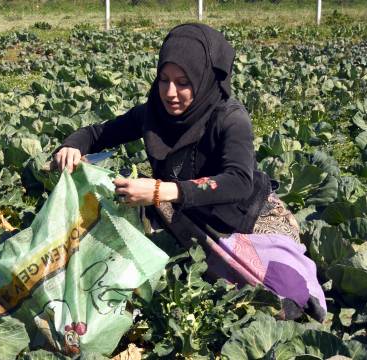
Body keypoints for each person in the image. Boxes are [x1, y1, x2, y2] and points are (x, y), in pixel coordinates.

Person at [54, 23, 326, 322]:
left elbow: (237, 181)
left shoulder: (230, 118)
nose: (170, 93)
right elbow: (98, 133)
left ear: (204, 79)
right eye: (164, 80)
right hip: (182, 211)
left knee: (287, 295)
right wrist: (72, 146)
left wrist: (161, 191)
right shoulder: (153, 113)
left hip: (242, 215)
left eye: (183, 82)